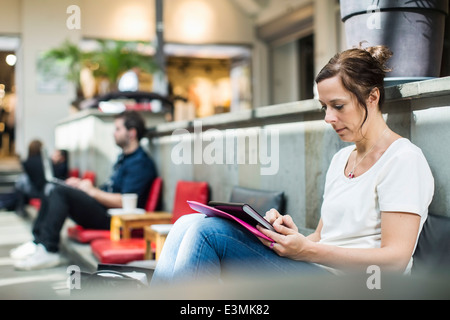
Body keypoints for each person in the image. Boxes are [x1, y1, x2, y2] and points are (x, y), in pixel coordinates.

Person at [150, 45, 434, 286]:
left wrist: (307, 251)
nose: (328, 118)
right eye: (325, 107)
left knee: (207, 233)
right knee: (189, 222)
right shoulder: (340, 160)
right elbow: (324, 238)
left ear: (372, 98)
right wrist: (294, 238)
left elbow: (395, 260)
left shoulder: (403, 160)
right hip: (318, 272)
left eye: (338, 106)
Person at [11, 111, 157, 270]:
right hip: (103, 210)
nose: (113, 133)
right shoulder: (124, 158)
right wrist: (82, 185)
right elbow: (109, 190)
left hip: (115, 220)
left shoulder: (140, 163)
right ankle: (38, 242)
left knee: (60, 192)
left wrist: (92, 191)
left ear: (132, 133)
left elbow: (125, 201)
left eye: (117, 129)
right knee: (53, 187)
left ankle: (49, 249)